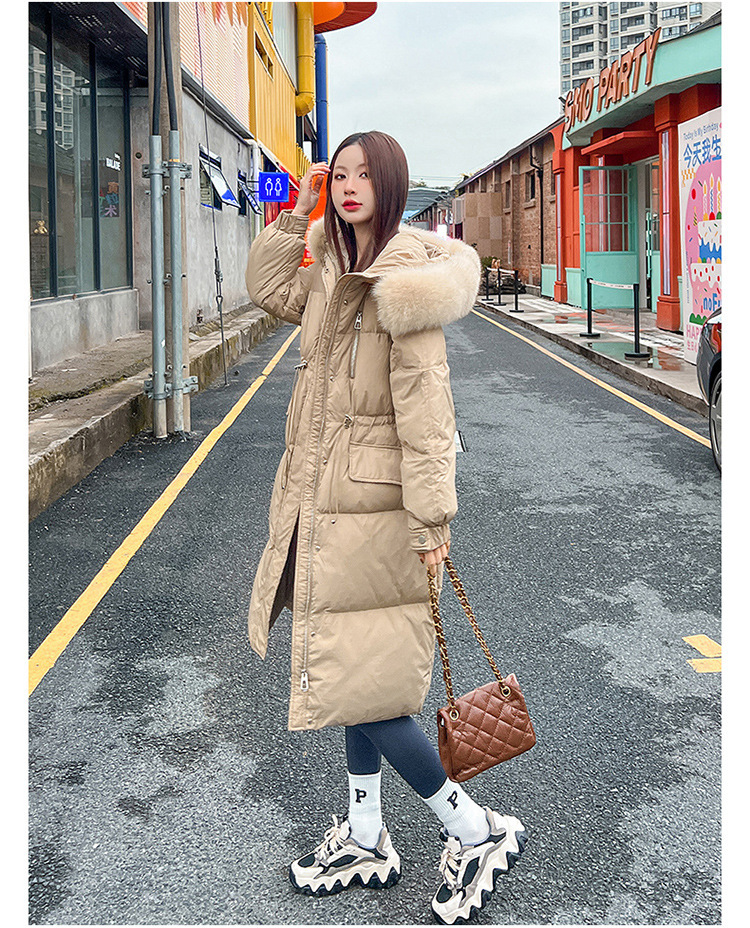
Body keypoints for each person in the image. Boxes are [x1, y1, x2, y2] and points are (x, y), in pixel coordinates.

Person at [245, 131, 527, 925]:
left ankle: (472, 829)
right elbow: (267, 288)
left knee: (360, 680)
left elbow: (429, 414)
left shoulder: (401, 281)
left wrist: (433, 520)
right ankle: (367, 832)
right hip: (327, 500)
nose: (348, 185)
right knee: (352, 666)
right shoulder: (333, 267)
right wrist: (291, 216)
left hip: (379, 511)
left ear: (392, 184)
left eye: (364, 175)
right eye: (339, 174)